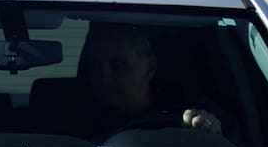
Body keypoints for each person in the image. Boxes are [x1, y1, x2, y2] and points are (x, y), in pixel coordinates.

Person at [76, 23, 223, 137]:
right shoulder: (73, 119)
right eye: (95, 66)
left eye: (118, 65)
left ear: (150, 67)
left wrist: (210, 136)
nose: (104, 78)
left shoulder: (186, 117)